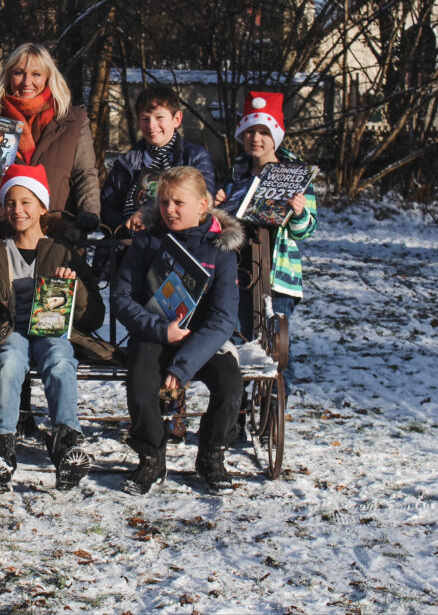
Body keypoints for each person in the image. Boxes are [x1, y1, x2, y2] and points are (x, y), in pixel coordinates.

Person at [0, 164, 105, 491]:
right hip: (6, 329)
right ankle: (3, 446)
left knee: (59, 356)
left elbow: (93, 316)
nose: (17, 210)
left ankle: (66, 440)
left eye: (26, 202)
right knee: (9, 359)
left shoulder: (62, 251)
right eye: (11, 202)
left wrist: (76, 288)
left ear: (43, 206)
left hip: (51, 329)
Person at [111, 166, 244, 495]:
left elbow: (223, 317)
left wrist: (184, 364)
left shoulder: (220, 250)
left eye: (178, 203)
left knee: (229, 386)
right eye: (164, 201)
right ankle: (152, 456)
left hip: (203, 340)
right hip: (155, 333)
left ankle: (212, 455)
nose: (169, 209)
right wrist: (158, 330)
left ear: (203, 204)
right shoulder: (147, 242)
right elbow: (121, 297)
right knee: (141, 383)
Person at [215, 91, 317, 340]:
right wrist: (217, 208)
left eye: (263, 132)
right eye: (250, 132)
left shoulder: (296, 173)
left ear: (275, 136)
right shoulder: (235, 173)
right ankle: (240, 381)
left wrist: (299, 212)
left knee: (274, 349)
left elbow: (305, 231)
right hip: (238, 273)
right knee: (237, 341)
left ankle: (280, 382)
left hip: (277, 276)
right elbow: (219, 227)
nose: (256, 138)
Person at [0, 43, 100, 240]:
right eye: (19, 72)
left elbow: (85, 173)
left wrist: (89, 211)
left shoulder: (73, 121)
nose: (26, 82)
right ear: (8, 76)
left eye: (36, 74)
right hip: (3, 231)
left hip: (56, 232)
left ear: (48, 77)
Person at [100, 85, 216, 234]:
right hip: (130, 242)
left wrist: (150, 214)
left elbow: (203, 198)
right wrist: (126, 227)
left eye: (159, 117)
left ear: (177, 119)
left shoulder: (194, 157)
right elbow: (107, 206)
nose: (151, 125)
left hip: (179, 239)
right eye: (145, 119)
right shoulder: (127, 161)